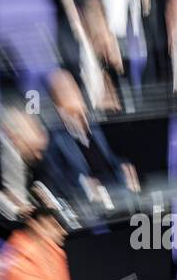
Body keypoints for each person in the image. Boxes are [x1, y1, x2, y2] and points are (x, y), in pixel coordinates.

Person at [42, 69, 138, 203]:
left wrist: (124, 167)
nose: (73, 93)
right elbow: (59, 182)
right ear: (57, 104)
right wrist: (84, 184)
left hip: (118, 191)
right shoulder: (55, 140)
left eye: (73, 87)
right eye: (64, 90)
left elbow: (111, 157)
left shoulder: (96, 123)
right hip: (90, 203)